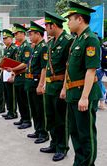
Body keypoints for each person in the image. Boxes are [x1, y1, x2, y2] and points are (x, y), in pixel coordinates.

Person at [61, 2, 102, 165]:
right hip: (73, 93)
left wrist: (85, 97)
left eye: (70, 19)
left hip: (83, 94)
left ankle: (87, 163)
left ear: (79, 19)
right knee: (75, 132)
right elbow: (70, 68)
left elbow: (91, 71)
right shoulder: (77, 40)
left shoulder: (90, 39)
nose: (68, 23)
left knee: (86, 134)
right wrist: (65, 88)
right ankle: (79, 162)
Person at [40, 11, 73, 162]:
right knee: (51, 117)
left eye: (47, 25)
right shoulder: (52, 42)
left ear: (53, 25)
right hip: (51, 85)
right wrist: (45, 83)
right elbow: (48, 65)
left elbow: (69, 67)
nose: (45, 28)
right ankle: (54, 143)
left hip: (60, 85)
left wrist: (65, 87)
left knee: (61, 119)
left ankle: (62, 147)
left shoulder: (67, 41)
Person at [26, 21, 49, 144]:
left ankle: (43, 133)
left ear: (38, 34)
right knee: (34, 108)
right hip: (31, 81)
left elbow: (44, 68)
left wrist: (41, 84)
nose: (29, 37)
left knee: (40, 109)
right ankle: (37, 129)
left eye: (31, 34)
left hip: (37, 81)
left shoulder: (43, 47)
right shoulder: (36, 47)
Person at [11, 23, 32, 129]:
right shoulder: (20, 47)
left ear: (22, 34)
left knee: (24, 100)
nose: (15, 36)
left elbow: (26, 63)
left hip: (24, 76)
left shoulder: (26, 47)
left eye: (16, 34)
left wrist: (13, 69)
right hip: (18, 76)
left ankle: (27, 120)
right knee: (19, 100)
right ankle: (23, 118)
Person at [1, 29, 18, 120]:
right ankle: (9, 111)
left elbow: (15, 63)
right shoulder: (5, 49)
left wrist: (13, 75)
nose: (4, 40)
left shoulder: (14, 48)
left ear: (11, 38)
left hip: (11, 73)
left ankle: (13, 112)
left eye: (6, 38)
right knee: (7, 94)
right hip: (5, 73)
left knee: (12, 95)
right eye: (3, 38)